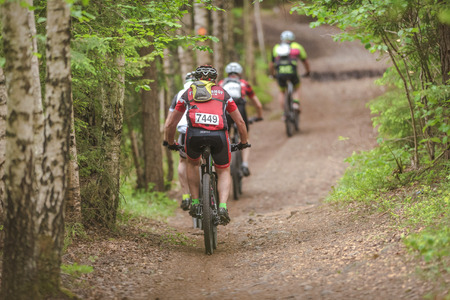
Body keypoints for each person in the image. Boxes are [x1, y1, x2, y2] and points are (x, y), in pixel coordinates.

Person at [164, 65, 249, 225]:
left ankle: (195, 203)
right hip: (219, 137)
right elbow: (240, 121)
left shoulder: (188, 93)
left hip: (194, 136)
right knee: (223, 170)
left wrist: (171, 142)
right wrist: (243, 142)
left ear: (197, 78)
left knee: (192, 163)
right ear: (215, 79)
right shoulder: (223, 93)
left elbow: (171, 123)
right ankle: (223, 207)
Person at [218, 62, 263, 176]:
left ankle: (224, 162)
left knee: (225, 135)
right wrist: (259, 116)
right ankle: (245, 165)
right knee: (245, 136)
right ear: (239, 73)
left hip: (224, 110)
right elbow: (258, 104)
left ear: (227, 73)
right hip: (240, 109)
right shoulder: (244, 84)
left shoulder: (221, 83)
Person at [164, 71, 196, 211]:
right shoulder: (209, 92)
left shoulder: (179, 94)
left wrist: (167, 140)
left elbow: (170, 121)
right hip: (206, 129)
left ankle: (185, 196)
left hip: (184, 131)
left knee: (183, 161)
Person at [269, 30, 311, 113]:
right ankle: (296, 104)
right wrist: (307, 71)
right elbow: (305, 61)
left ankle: (284, 113)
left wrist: (272, 74)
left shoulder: (276, 47)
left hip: (280, 72)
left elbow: (271, 64)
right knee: (297, 87)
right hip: (292, 71)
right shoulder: (297, 46)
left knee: (281, 92)